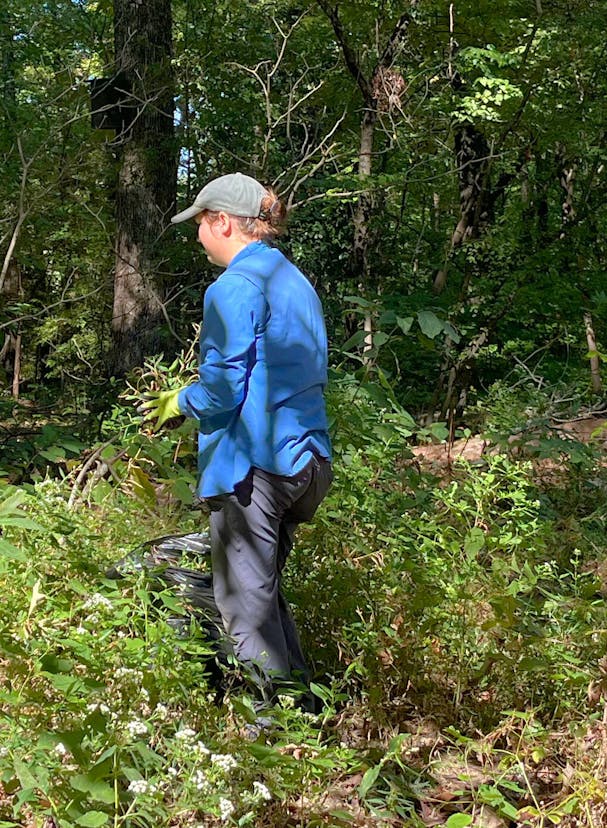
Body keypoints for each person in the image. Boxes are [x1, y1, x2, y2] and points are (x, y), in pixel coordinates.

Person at [142, 172, 333, 721]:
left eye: (201, 223)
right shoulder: (293, 280)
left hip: (256, 468)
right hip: (306, 460)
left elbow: (223, 389)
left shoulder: (232, 287)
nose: (198, 235)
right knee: (262, 598)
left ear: (223, 221)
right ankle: (307, 712)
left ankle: (274, 733)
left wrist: (181, 401)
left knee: (242, 608)